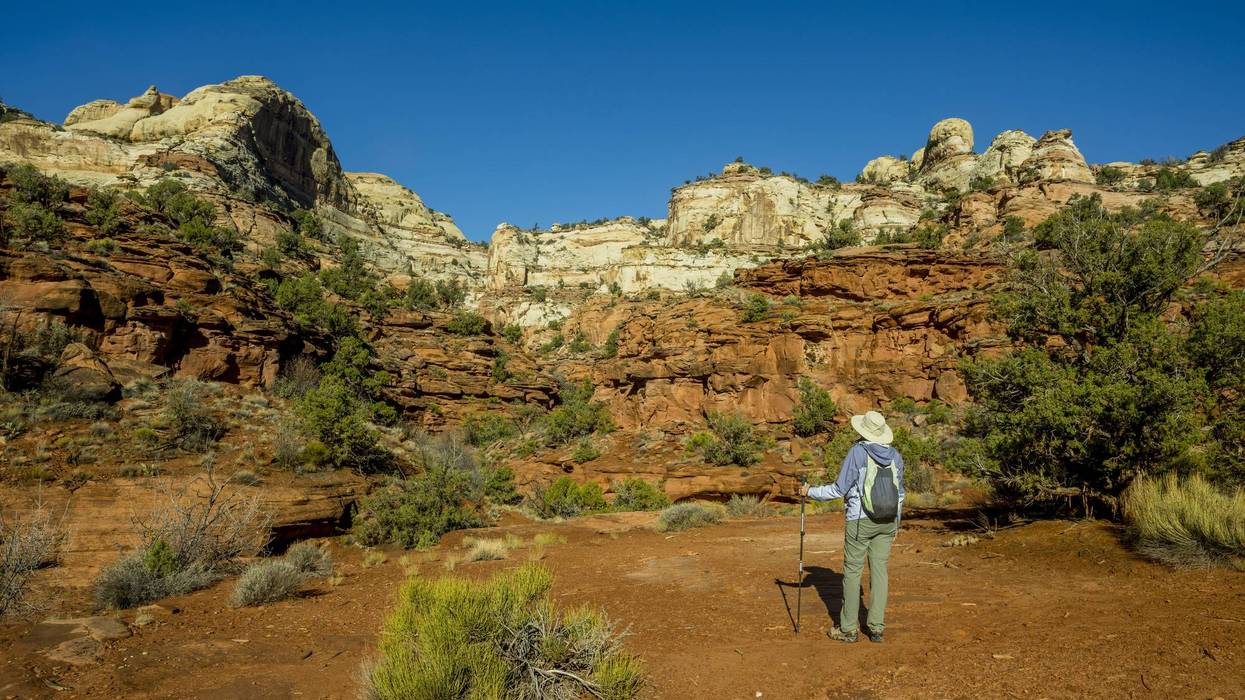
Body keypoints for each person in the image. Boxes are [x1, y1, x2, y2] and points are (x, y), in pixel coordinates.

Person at [799, 410, 905, 643]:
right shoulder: (895, 455)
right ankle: (876, 628)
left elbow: (839, 490)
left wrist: (810, 492)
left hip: (860, 521)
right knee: (880, 572)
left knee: (852, 572)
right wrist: (896, 522)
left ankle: (848, 629)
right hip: (887, 521)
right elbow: (901, 493)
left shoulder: (858, 452)